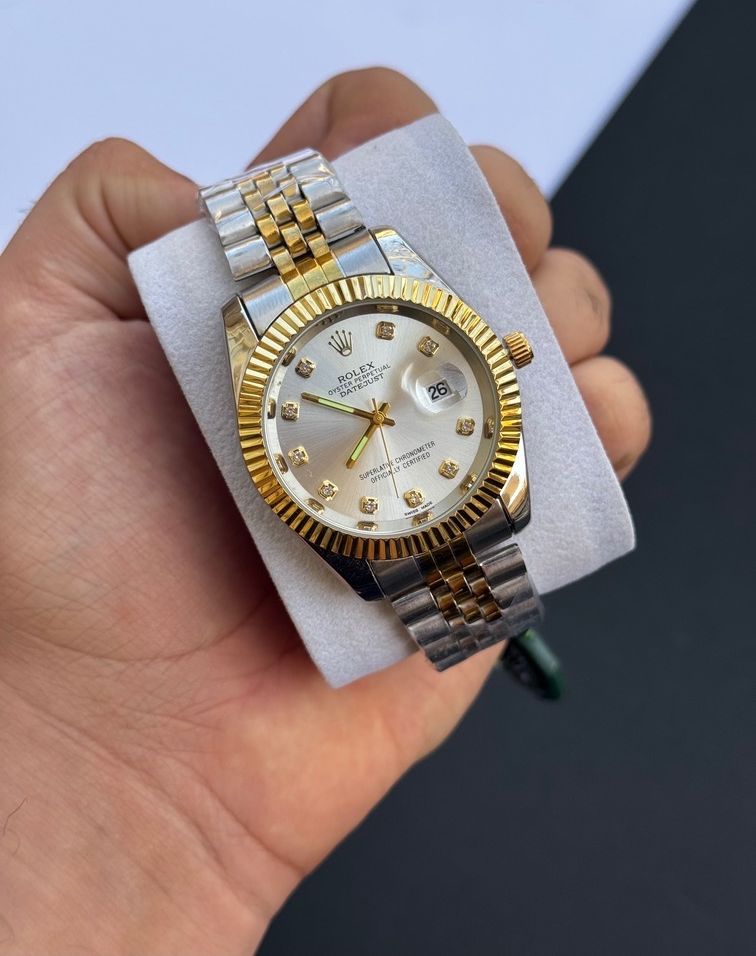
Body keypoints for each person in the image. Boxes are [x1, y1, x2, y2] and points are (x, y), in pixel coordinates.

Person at [0, 68, 651, 954]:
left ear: (500, 356)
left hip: (440, 478)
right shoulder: (265, 377)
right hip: (379, 500)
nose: (378, 417)